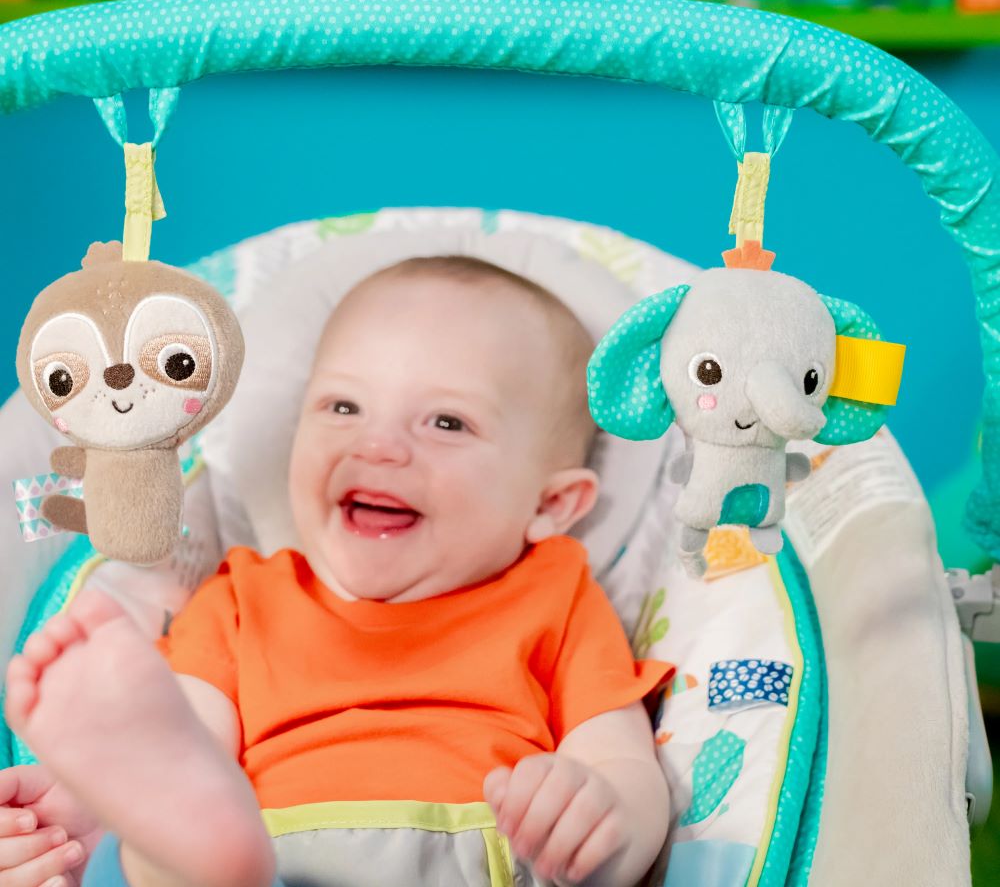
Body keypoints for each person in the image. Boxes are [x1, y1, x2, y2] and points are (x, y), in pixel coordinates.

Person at [3, 256, 673, 887]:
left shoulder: (557, 595)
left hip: (481, 855)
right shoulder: (240, 599)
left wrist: (599, 815)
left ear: (551, 505)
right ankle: (163, 849)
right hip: (266, 858)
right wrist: (101, 808)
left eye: (447, 422)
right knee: (173, 820)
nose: (376, 445)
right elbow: (185, 750)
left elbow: (621, 760)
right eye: (343, 407)